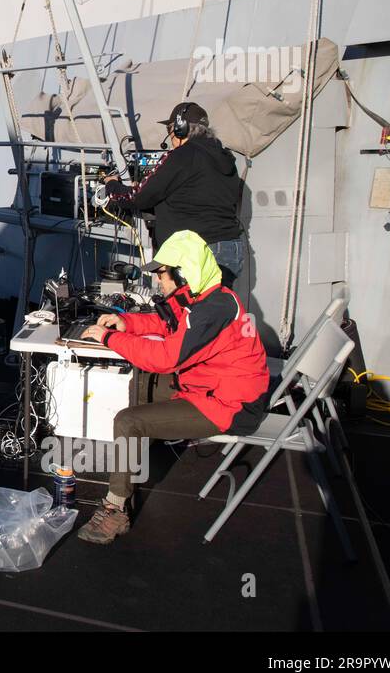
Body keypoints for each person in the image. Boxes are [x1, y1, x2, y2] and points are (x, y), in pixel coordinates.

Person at [75, 230, 270, 545]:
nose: (159, 282)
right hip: (214, 385)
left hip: (231, 404)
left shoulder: (212, 309)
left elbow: (166, 357)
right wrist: (129, 324)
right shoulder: (206, 295)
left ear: (184, 273)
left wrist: (109, 338)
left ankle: (115, 509)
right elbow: (168, 323)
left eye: (163, 274)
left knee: (128, 419)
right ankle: (129, 468)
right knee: (139, 383)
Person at [103, 101, 245, 283]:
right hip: (229, 249)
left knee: (186, 310)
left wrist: (112, 186)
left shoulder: (183, 155)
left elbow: (139, 197)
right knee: (216, 308)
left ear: (180, 129)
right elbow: (196, 195)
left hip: (197, 253)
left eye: (170, 130)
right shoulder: (225, 158)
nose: (170, 137)